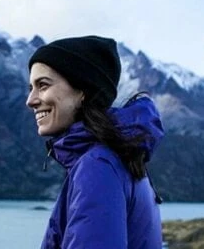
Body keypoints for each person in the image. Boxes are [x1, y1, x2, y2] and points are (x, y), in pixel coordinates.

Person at [26, 35, 165, 249]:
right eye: (31, 88)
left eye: (43, 85)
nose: (31, 100)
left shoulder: (97, 166)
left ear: (82, 91)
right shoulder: (117, 157)